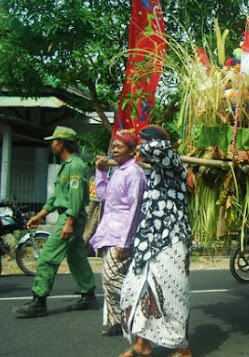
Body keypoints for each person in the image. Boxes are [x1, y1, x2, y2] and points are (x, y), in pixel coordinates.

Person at [118, 125, 192, 357]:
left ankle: (182, 348)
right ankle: (142, 344)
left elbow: (161, 150)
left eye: (143, 142)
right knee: (138, 290)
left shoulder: (173, 164)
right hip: (148, 242)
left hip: (171, 240)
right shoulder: (155, 169)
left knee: (170, 294)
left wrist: (133, 144)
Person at [14, 126, 97, 318]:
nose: (51, 145)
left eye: (54, 141)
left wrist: (69, 222)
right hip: (68, 216)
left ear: (62, 143)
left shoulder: (75, 165)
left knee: (47, 258)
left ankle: (39, 300)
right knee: (76, 257)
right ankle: (88, 295)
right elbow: (56, 198)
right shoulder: (66, 165)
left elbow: (75, 199)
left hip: (70, 218)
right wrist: (40, 215)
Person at [90, 130, 146, 337]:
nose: (113, 150)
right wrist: (101, 172)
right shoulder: (119, 171)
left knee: (111, 276)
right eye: (113, 146)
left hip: (121, 236)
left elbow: (135, 208)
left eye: (119, 147)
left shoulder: (134, 173)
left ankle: (143, 306)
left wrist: (125, 241)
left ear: (132, 151)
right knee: (108, 280)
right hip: (108, 233)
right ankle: (117, 322)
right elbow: (103, 196)